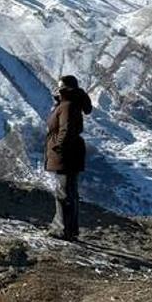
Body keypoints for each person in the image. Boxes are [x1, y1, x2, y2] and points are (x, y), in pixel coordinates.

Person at [45, 74, 93, 240]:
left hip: (66, 154)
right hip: (71, 153)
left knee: (64, 193)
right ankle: (69, 229)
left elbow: (66, 129)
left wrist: (59, 147)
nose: (57, 90)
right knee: (69, 192)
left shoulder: (66, 106)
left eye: (59, 87)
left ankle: (62, 229)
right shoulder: (70, 105)